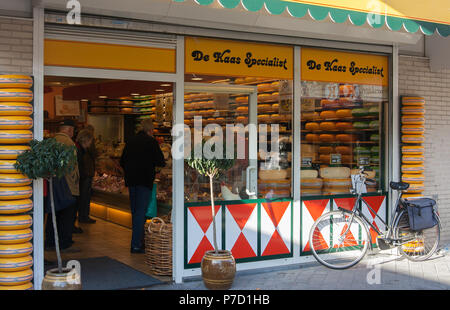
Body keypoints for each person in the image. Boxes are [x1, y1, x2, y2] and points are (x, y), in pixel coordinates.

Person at [120, 119, 165, 253]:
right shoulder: (151, 142)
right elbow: (161, 161)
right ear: (150, 130)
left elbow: (122, 161)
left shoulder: (131, 141)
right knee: (140, 212)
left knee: (135, 212)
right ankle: (136, 245)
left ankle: (137, 241)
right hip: (144, 181)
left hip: (131, 181)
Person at [45, 118, 81, 253]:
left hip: (52, 184)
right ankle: (64, 244)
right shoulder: (69, 143)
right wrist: (75, 182)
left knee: (53, 214)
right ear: (70, 130)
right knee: (67, 216)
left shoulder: (50, 141)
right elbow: (71, 167)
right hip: (67, 185)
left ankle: (50, 242)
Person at [75, 129, 96, 224]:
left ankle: (82, 216)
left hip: (84, 176)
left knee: (83, 197)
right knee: (84, 197)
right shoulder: (79, 150)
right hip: (84, 176)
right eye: (90, 140)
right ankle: (83, 216)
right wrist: (84, 174)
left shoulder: (79, 148)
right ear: (86, 140)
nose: (91, 143)